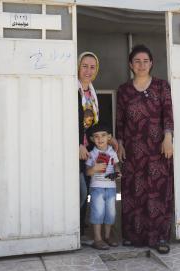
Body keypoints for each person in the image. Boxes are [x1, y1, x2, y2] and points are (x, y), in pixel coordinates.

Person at [116, 44, 174, 254]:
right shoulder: (123, 90)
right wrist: (120, 143)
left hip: (158, 149)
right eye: (137, 61)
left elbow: (167, 113)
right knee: (133, 193)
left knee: (158, 193)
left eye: (145, 61)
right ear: (131, 64)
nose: (141, 65)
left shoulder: (161, 86)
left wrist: (168, 137)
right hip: (132, 150)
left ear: (151, 63)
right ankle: (133, 237)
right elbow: (120, 120)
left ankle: (159, 238)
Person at [86, 122, 121, 250]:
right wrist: (94, 168)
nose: (100, 139)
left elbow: (116, 164)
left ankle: (107, 236)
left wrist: (117, 172)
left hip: (111, 187)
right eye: (96, 136)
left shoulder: (112, 152)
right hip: (97, 187)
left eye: (103, 135)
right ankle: (97, 239)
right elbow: (88, 172)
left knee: (110, 213)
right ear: (91, 139)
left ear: (109, 137)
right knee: (98, 211)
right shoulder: (92, 154)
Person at [78, 52, 100, 236]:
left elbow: (94, 123)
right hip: (75, 149)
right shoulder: (72, 89)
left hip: (89, 150)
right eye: (84, 66)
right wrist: (77, 144)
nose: (88, 70)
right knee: (80, 190)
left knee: (86, 188)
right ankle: (74, 228)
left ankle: (81, 229)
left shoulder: (91, 92)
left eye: (92, 67)